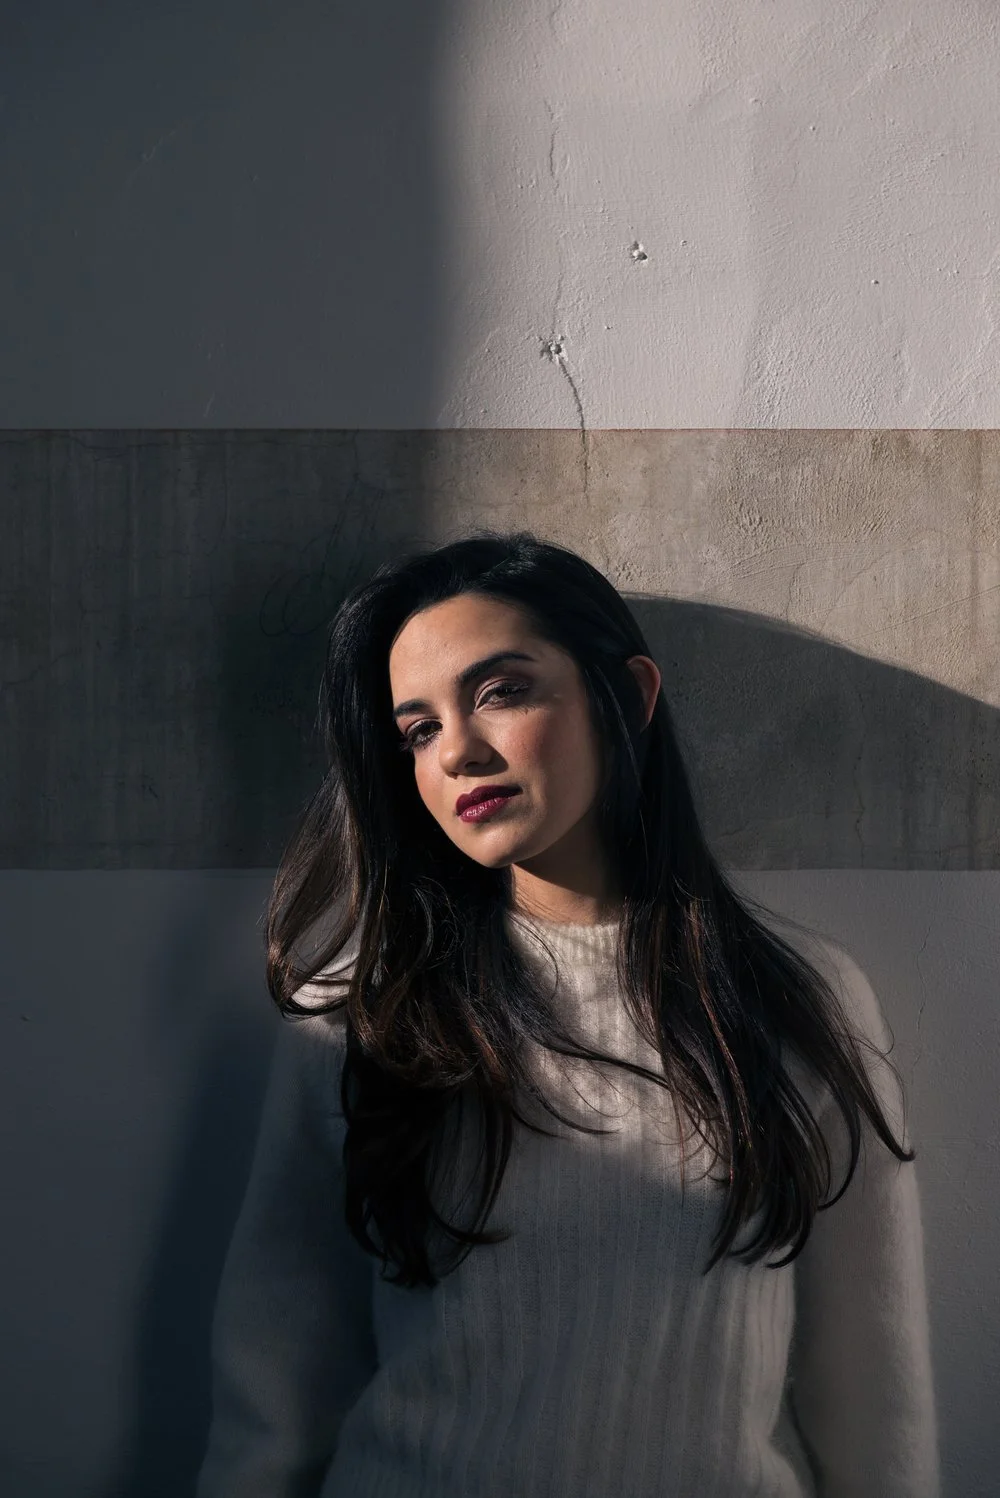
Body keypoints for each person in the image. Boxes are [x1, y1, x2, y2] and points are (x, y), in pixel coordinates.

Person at [195, 529, 939, 1497]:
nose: (456, 749)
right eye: (416, 728)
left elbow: (877, 1412)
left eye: (499, 690)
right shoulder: (358, 1015)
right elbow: (273, 1396)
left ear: (626, 698)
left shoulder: (794, 1001)